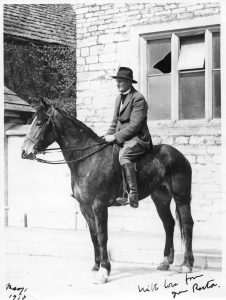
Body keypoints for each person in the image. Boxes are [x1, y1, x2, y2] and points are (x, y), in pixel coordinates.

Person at [104, 67, 153, 208]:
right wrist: (107, 136)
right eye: (117, 81)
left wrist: (115, 137)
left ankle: (132, 194)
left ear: (128, 82)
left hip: (137, 138)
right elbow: (115, 122)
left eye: (120, 81)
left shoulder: (138, 98)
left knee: (123, 156)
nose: (117, 84)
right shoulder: (118, 98)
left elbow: (135, 125)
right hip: (123, 137)